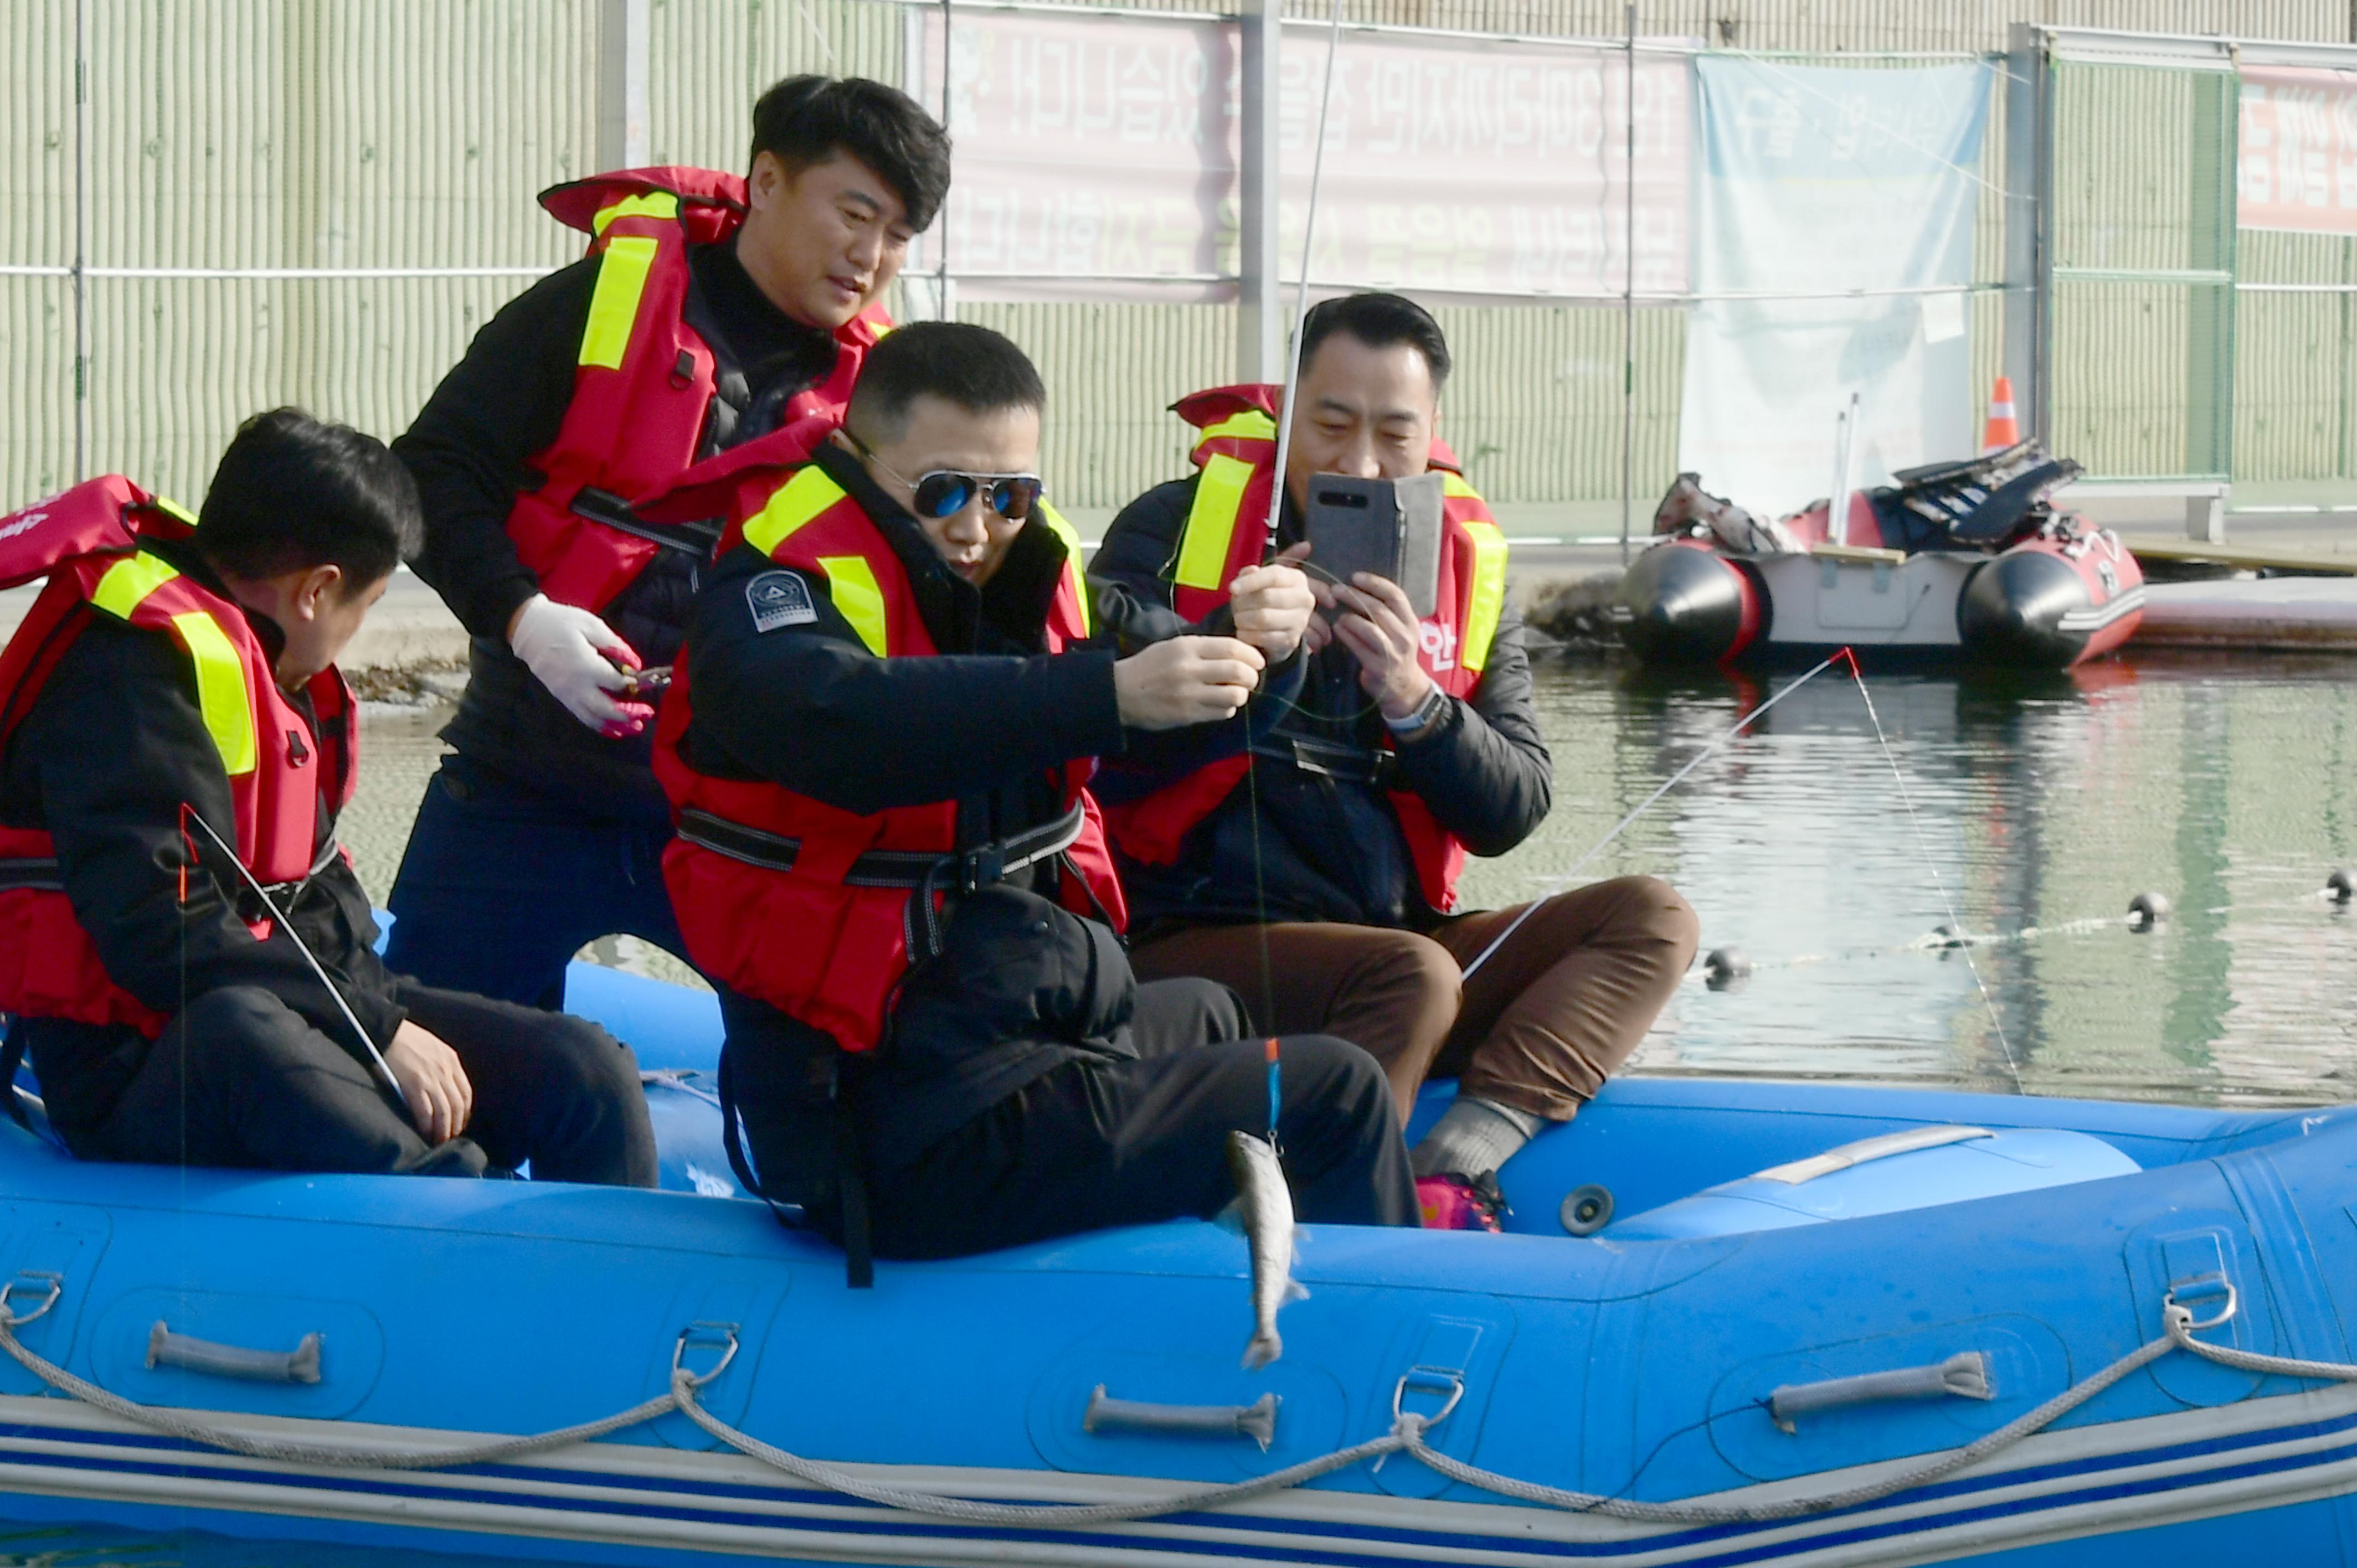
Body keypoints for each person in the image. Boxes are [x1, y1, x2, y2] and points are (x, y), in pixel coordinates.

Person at [644, 320, 1416, 1273]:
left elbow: (1162, 690)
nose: (976, 528)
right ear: (854, 455)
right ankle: (1399, 1329)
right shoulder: (763, 599)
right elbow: (843, 724)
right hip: (897, 1119)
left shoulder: (1032, 572)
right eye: (943, 493)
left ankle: (1203, 1302)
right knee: (1335, 1087)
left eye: (1008, 495)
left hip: (1011, 1037)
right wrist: (1109, 696)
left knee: (1211, 1010)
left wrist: (1263, 645)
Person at [1089, 292, 1698, 1231]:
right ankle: (1291, 1213)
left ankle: (1450, 1165)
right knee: (1412, 977)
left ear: (1432, 436)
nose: (1361, 463)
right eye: (1331, 426)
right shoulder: (1172, 532)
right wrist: (1246, 642)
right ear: (1288, 413)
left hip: (1399, 949)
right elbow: (1096, 732)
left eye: (1394, 434)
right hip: (1199, 943)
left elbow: (1515, 807)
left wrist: (1417, 701)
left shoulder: (1466, 565)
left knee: (1651, 918)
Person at [385, 76, 950, 1007]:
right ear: (766, 181)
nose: (872, 255)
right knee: (437, 1062)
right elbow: (433, 470)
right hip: (523, 779)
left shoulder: (882, 402)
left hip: (740, 821)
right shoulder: (603, 300)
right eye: (856, 213)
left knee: (832, 1082)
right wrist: (523, 617)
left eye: (898, 235)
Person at [0, 412, 657, 1182]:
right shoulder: (120, 680)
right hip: (140, 1064)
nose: (357, 631)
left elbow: (307, 885)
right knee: (242, 1030)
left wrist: (385, 1010)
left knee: (585, 1076)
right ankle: (455, 1227)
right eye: (368, 605)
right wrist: (376, 1030)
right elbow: (161, 937)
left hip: (289, 1005)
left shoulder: (264, 658)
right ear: (317, 592)